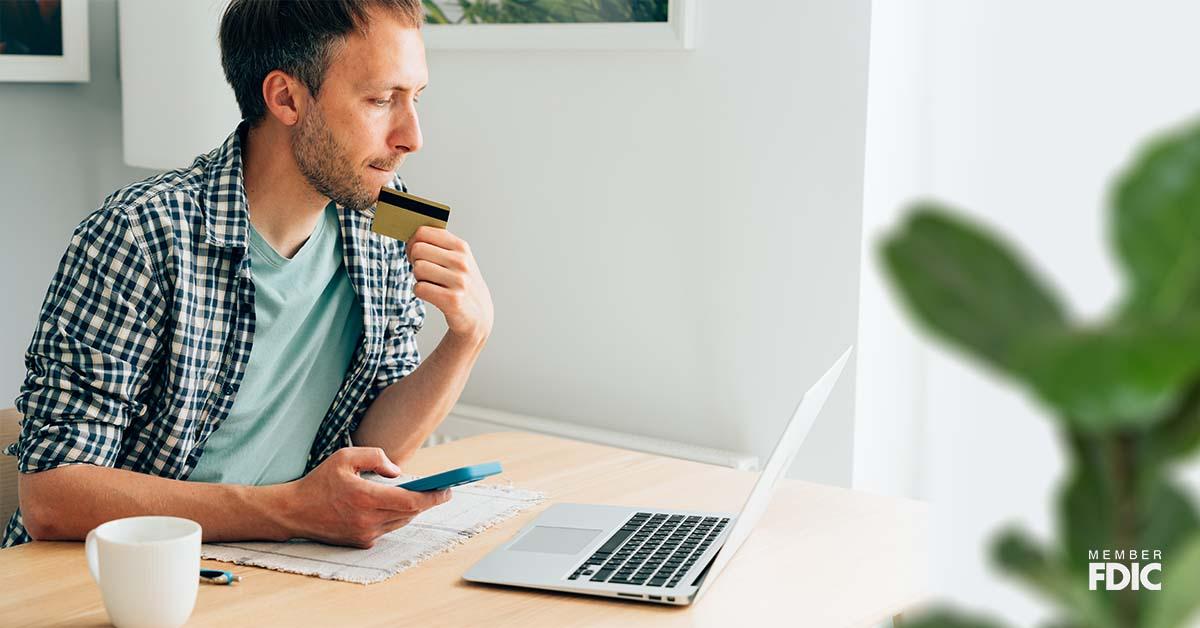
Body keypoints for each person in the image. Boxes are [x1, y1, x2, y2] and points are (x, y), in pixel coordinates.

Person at [2, 0, 494, 550]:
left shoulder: (384, 218)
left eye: (415, 99)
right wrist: (292, 511)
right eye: (381, 100)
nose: (412, 136)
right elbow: (51, 494)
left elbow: (373, 448)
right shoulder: (139, 235)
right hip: (121, 577)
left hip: (273, 563)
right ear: (286, 97)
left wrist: (466, 339)